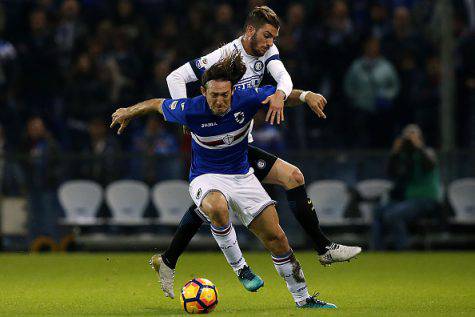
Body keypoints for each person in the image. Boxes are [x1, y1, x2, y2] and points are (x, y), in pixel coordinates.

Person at [156, 5, 361, 298]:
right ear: (250, 31)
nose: (270, 42)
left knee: (289, 178)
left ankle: (167, 261)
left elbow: (283, 77)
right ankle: (321, 248)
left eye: (274, 37)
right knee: (219, 204)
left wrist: (295, 95)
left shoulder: (266, 51)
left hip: (241, 143)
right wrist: (188, 119)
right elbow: (175, 78)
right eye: (266, 36)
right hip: (219, 143)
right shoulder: (223, 57)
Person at [111, 52, 336, 309]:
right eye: (214, 95)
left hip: (242, 176)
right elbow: (156, 103)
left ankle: (303, 298)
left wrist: (307, 96)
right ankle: (241, 269)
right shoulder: (190, 109)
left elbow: (281, 96)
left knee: (277, 239)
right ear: (203, 92)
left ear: (233, 92)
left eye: (225, 95)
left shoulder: (247, 98)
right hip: (205, 177)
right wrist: (129, 111)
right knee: (217, 207)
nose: (220, 100)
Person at [371, 124, 441, 250]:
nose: (409, 140)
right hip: (408, 200)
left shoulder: (427, 152)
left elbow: (430, 164)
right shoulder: (404, 156)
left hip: (426, 199)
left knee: (392, 215)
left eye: (413, 136)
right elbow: (391, 173)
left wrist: (419, 147)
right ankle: (377, 250)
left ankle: (403, 249)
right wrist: (395, 153)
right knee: (378, 211)